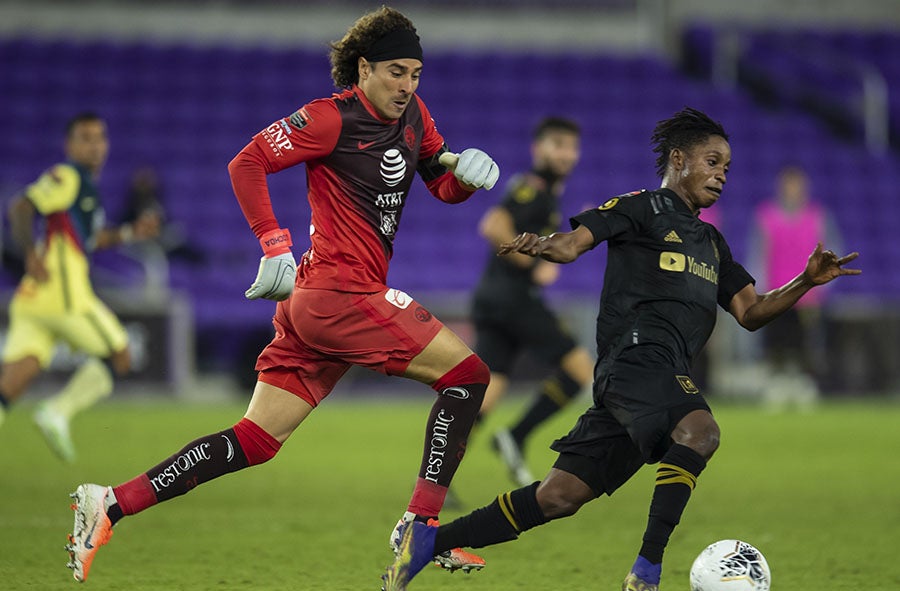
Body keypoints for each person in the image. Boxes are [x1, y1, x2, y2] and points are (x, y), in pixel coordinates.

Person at [66, 7, 499, 584]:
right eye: (396, 72)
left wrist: (465, 179)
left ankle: (110, 503)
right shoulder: (328, 118)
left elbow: (439, 184)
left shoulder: (415, 114)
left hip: (317, 304)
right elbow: (247, 162)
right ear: (364, 68)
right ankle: (419, 526)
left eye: (416, 74)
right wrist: (273, 244)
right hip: (341, 295)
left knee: (256, 439)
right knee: (467, 376)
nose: (407, 86)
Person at [381, 107, 860, 591]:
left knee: (558, 496)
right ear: (679, 159)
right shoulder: (641, 207)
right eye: (712, 162)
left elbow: (751, 311)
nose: (721, 175)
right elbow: (572, 245)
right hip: (636, 360)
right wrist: (540, 244)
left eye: (727, 168)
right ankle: (646, 572)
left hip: (651, 379)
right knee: (701, 432)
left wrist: (805, 281)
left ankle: (425, 545)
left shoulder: (713, 243)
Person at [0, 112, 157, 462]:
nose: (95, 145)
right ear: (69, 145)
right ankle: (57, 411)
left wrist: (131, 232)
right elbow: (21, 207)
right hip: (63, 294)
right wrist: (28, 252)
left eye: (100, 137)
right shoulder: (67, 176)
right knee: (120, 354)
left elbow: (91, 239)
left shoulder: (86, 189)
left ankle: (55, 411)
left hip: (32, 299)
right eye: (85, 138)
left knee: (9, 386)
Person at [470, 116, 593, 486]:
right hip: (513, 299)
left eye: (571, 146)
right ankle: (516, 436)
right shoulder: (533, 187)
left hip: (492, 298)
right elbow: (493, 225)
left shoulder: (545, 190)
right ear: (538, 149)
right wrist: (531, 261)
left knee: (489, 390)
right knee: (580, 370)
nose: (567, 153)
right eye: (558, 145)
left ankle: (435, 478)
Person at [750, 165, 841, 408]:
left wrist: (824, 285)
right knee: (776, 341)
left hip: (807, 295)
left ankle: (804, 385)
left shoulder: (818, 216)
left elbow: (832, 252)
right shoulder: (766, 216)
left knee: (805, 343)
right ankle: (776, 385)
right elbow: (758, 254)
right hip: (777, 292)